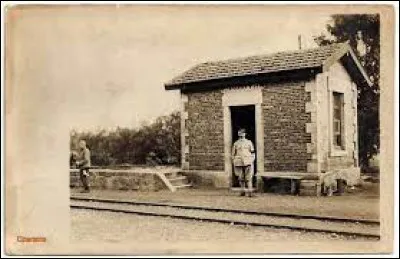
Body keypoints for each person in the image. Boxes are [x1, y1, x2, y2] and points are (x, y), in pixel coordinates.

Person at [231, 128, 255, 197]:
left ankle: (250, 192)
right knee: (241, 178)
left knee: (249, 178)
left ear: (245, 134)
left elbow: (253, 152)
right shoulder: (236, 143)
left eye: (242, 133)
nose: (241, 135)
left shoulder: (249, 142)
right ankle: (242, 191)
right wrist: (234, 161)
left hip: (248, 161)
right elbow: (233, 154)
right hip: (239, 162)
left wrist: (251, 160)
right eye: (239, 133)